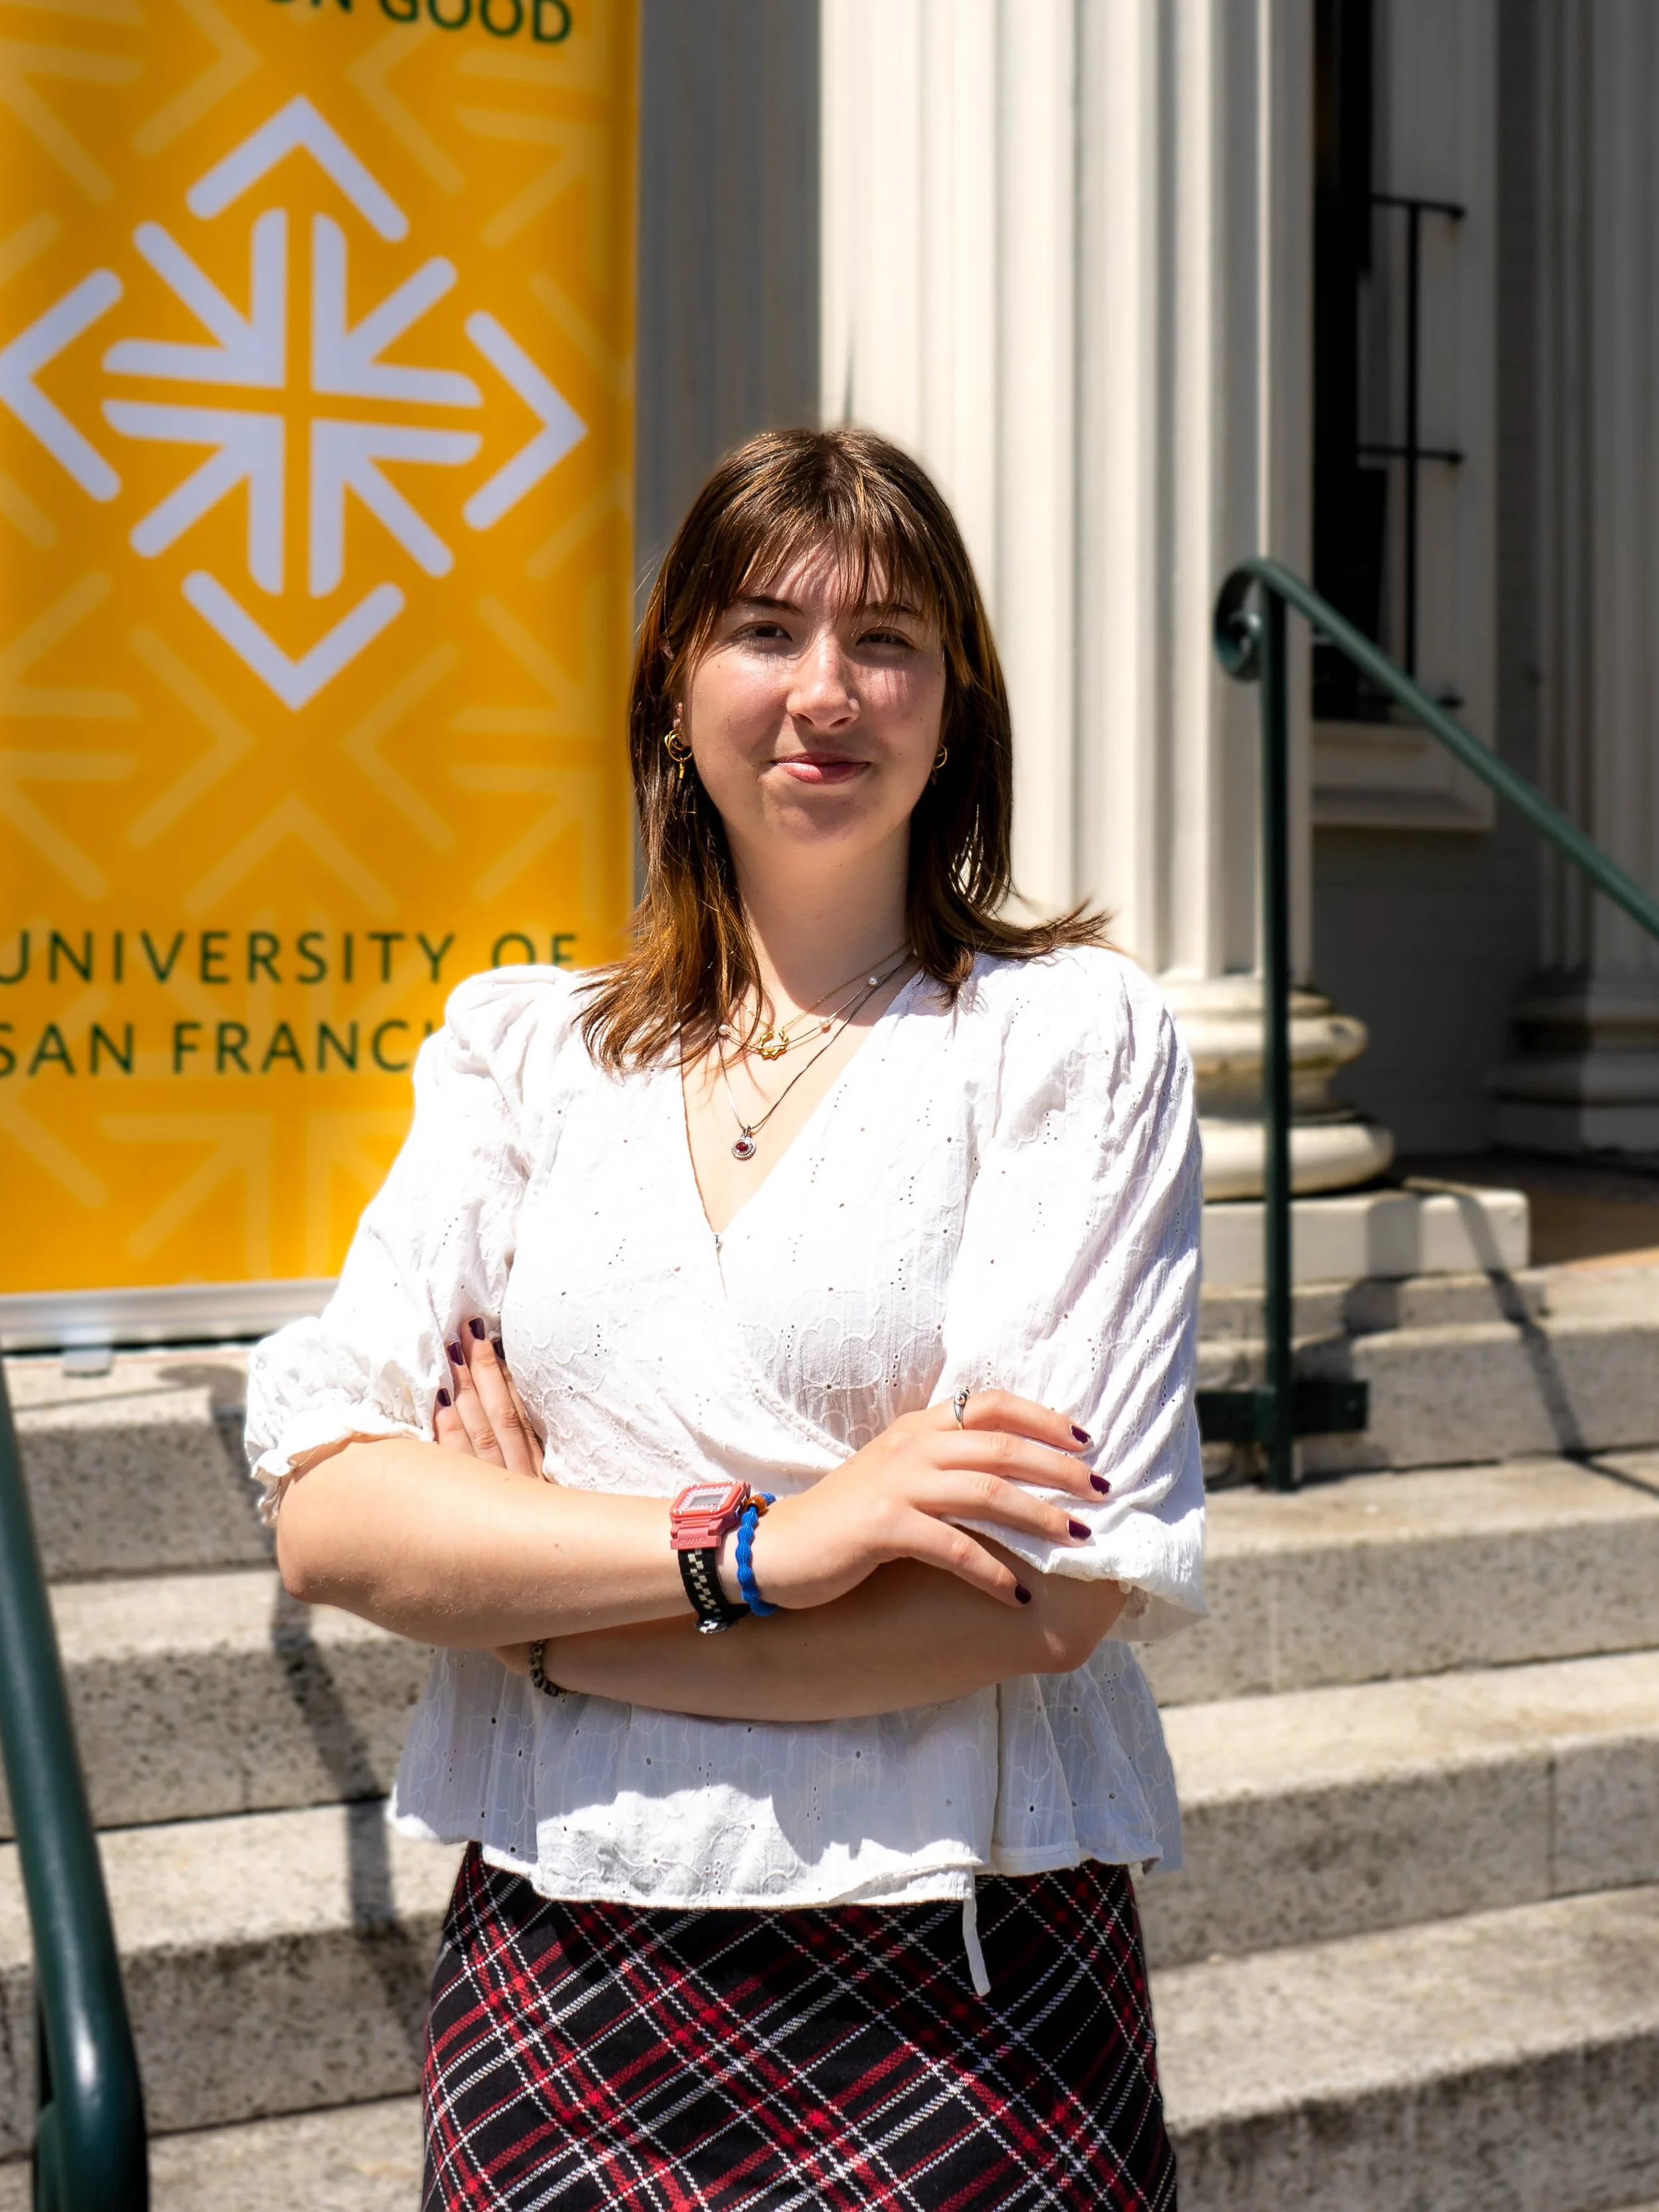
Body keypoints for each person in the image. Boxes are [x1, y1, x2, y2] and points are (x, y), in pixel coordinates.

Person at [248, 426, 1203, 2211]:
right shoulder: (528, 1052)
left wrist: (534, 1619)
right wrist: (779, 1546)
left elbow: (1035, 1596)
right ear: (675, 685)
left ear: (954, 706)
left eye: (886, 640)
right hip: (567, 1963)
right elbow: (336, 1510)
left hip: (956, 1974)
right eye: (765, 630)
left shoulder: (1063, 1038)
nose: (822, 690)